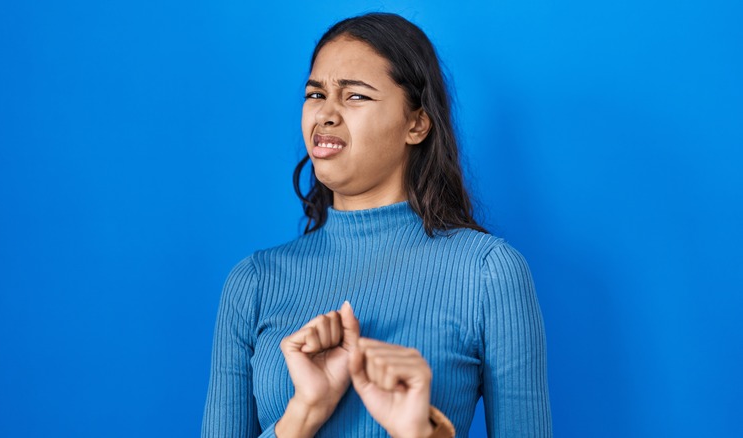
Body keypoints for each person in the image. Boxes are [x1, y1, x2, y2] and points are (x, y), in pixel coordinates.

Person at [202, 12, 552, 438]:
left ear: (417, 123)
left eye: (355, 97)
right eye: (315, 94)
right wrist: (303, 413)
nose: (326, 114)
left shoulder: (489, 273)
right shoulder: (253, 283)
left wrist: (424, 433)